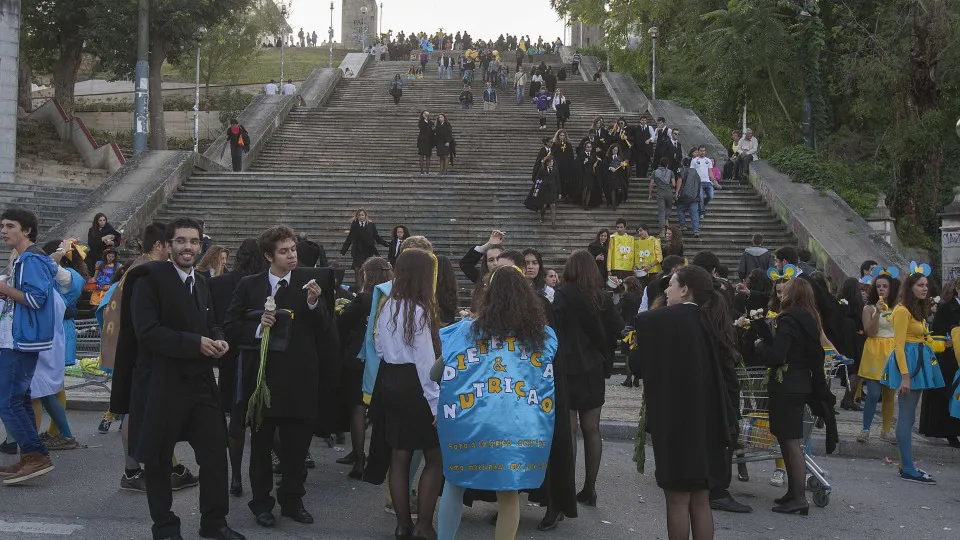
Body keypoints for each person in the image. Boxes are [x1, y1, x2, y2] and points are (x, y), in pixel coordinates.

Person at [108, 218, 245, 540]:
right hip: (160, 384)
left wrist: (218, 337)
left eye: (194, 241)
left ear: (201, 246)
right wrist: (194, 343)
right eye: (181, 241)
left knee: (214, 455)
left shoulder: (201, 282)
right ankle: (166, 530)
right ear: (168, 245)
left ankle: (215, 524)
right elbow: (147, 332)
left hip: (199, 384)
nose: (188, 247)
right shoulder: (149, 279)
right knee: (157, 461)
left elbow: (210, 323)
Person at [225, 225, 336, 528]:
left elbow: (326, 331)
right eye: (284, 251)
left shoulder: (309, 283)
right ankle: (261, 503)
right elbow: (231, 325)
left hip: (300, 379)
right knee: (260, 447)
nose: (291, 256)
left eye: (293, 250)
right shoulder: (249, 285)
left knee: (297, 449)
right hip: (263, 382)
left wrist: (315, 304)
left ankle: (292, 500)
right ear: (268, 255)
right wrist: (259, 327)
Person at [633, 265, 737, 539]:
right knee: (701, 501)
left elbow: (636, 363)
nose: (666, 289)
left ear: (684, 289)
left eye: (671, 284)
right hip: (710, 424)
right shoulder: (712, 319)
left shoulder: (657, 320)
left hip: (675, 423)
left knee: (677, 500)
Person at [372, 248, 444, 540]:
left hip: (390, 379)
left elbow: (377, 346)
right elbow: (427, 365)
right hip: (416, 385)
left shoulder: (388, 305)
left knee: (399, 456)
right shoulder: (420, 310)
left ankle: (403, 525)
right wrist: (436, 405)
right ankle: (424, 525)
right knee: (435, 458)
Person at [553, 250, 623, 509]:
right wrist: (604, 349)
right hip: (593, 367)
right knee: (592, 429)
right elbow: (618, 326)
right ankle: (590, 488)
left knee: (569, 430)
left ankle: (568, 489)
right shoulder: (601, 297)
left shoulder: (561, 296)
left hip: (568, 368)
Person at [754, 278, 828, 515]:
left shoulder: (788, 319)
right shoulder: (810, 318)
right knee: (788, 438)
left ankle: (798, 498)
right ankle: (793, 492)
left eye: (785, 290)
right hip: (801, 382)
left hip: (787, 383)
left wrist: (760, 345)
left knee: (790, 441)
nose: (781, 293)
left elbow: (777, 356)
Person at [0, 209, 59, 484]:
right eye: (2, 226)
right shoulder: (22, 259)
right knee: (19, 400)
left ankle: (35, 456)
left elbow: (36, 299)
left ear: (26, 230)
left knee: (8, 402)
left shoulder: (32, 260)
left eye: (10, 226)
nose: (4, 230)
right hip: (15, 338)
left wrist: (4, 288)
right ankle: (31, 456)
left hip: (20, 340)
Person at [208, 238, 267, 498]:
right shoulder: (263, 284)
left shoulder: (219, 283)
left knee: (236, 418)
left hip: (229, 355)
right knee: (263, 417)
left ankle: (235, 476)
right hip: (258, 354)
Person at [880, 264, 945, 484]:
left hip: (916, 361)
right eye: (920, 285)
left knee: (909, 418)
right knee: (906, 418)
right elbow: (898, 345)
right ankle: (907, 468)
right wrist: (905, 376)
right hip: (909, 365)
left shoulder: (914, 309)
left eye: (926, 285)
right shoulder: (902, 310)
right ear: (911, 287)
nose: (925, 288)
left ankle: (906, 465)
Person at [337, 257, 394, 481]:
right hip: (384, 359)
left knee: (358, 409)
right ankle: (375, 457)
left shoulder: (364, 298)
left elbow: (342, 324)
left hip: (359, 358)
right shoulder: (393, 298)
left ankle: (359, 459)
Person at [857, 270, 899, 446]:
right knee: (874, 393)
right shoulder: (868, 308)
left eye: (885, 286)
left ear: (891, 288)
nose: (881, 289)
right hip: (874, 349)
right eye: (879, 286)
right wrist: (877, 313)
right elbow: (870, 332)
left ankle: (885, 430)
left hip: (892, 349)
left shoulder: (898, 308)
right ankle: (865, 429)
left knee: (889, 394)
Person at [921, 278, 960, 447]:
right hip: (950, 358)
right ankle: (950, 432)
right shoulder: (946, 308)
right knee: (950, 395)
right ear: (957, 289)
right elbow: (936, 332)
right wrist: (947, 341)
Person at [524, 155, 559, 226]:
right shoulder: (542, 170)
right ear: (546, 162)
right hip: (544, 190)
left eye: (552, 161)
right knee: (544, 206)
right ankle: (542, 217)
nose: (551, 163)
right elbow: (537, 179)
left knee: (553, 206)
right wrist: (537, 189)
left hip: (553, 190)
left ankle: (553, 224)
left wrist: (560, 192)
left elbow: (558, 181)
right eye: (549, 161)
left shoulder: (555, 170)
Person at [674, 157, 702, 238]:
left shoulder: (681, 170)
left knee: (680, 209)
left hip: (683, 195)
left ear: (683, 163)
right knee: (694, 213)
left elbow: (680, 179)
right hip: (694, 196)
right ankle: (696, 230)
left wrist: (677, 192)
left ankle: (683, 225)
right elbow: (698, 182)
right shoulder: (695, 171)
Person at [649, 158, 677, 236]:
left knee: (661, 211)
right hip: (669, 193)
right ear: (667, 164)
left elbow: (651, 184)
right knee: (668, 207)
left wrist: (650, 194)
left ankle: (662, 230)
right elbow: (674, 184)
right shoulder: (670, 172)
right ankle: (666, 220)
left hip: (660, 194)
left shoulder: (655, 172)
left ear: (660, 164)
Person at [691, 146, 715, 219]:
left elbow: (710, 171)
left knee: (710, 196)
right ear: (698, 151)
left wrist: (712, 177)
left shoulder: (708, 160)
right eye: (701, 151)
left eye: (704, 151)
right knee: (700, 197)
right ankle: (702, 212)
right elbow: (692, 172)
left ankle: (702, 206)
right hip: (699, 182)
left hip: (707, 181)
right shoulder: (694, 160)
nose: (702, 152)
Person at [552, 130, 576, 202]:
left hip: (567, 165)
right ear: (558, 136)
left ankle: (566, 194)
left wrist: (571, 164)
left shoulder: (568, 144)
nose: (562, 137)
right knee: (559, 178)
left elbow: (571, 155)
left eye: (563, 135)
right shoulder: (555, 144)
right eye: (560, 135)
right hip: (558, 164)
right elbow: (553, 154)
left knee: (566, 179)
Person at [417, 111, 434, 175]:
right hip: (422, 141)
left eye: (427, 113)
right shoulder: (421, 122)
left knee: (428, 156)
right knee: (421, 155)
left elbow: (432, 131)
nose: (426, 114)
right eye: (424, 113)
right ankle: (421, 171)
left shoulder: (431, 123)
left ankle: (427, 171)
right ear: (422, 114)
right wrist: (425, 120)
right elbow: (422, 128)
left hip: (429, 141)